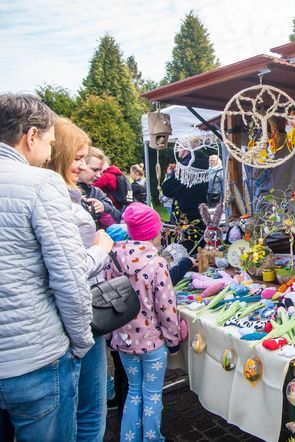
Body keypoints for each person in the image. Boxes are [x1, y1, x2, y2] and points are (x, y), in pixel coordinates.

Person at [0, 93, 94, 441]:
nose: (52, 152)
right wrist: (81, 341)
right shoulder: (40, 183)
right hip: (34, 358)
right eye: (50, 141)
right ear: (31, 136)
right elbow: (69, 277)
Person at [47, 117, 114, 442]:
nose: (82, 166)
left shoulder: (66, 196)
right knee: (86, 414)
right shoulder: (53, 200)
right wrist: (101, 248)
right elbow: (67, 270)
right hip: (77, 321)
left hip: (74, 320)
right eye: (76, 158)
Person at [107, 203, 180, 442]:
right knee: (152, 395)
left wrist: (110, 336)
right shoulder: (156, 263)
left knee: (133, 391)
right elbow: (166, 307)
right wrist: (173, 339)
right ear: (154, 232)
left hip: (123, 340)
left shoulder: (113, 258)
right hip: (152, 342)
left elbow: (106, 299)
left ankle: (129, 438)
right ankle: (152, 438)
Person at [78, 146, 121, 228]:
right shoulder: (63, 189)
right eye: (94, 170)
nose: (98, 176)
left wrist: (103, 207)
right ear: (81, 164)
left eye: (101, 172)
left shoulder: (97, 192)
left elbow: (117, 216)